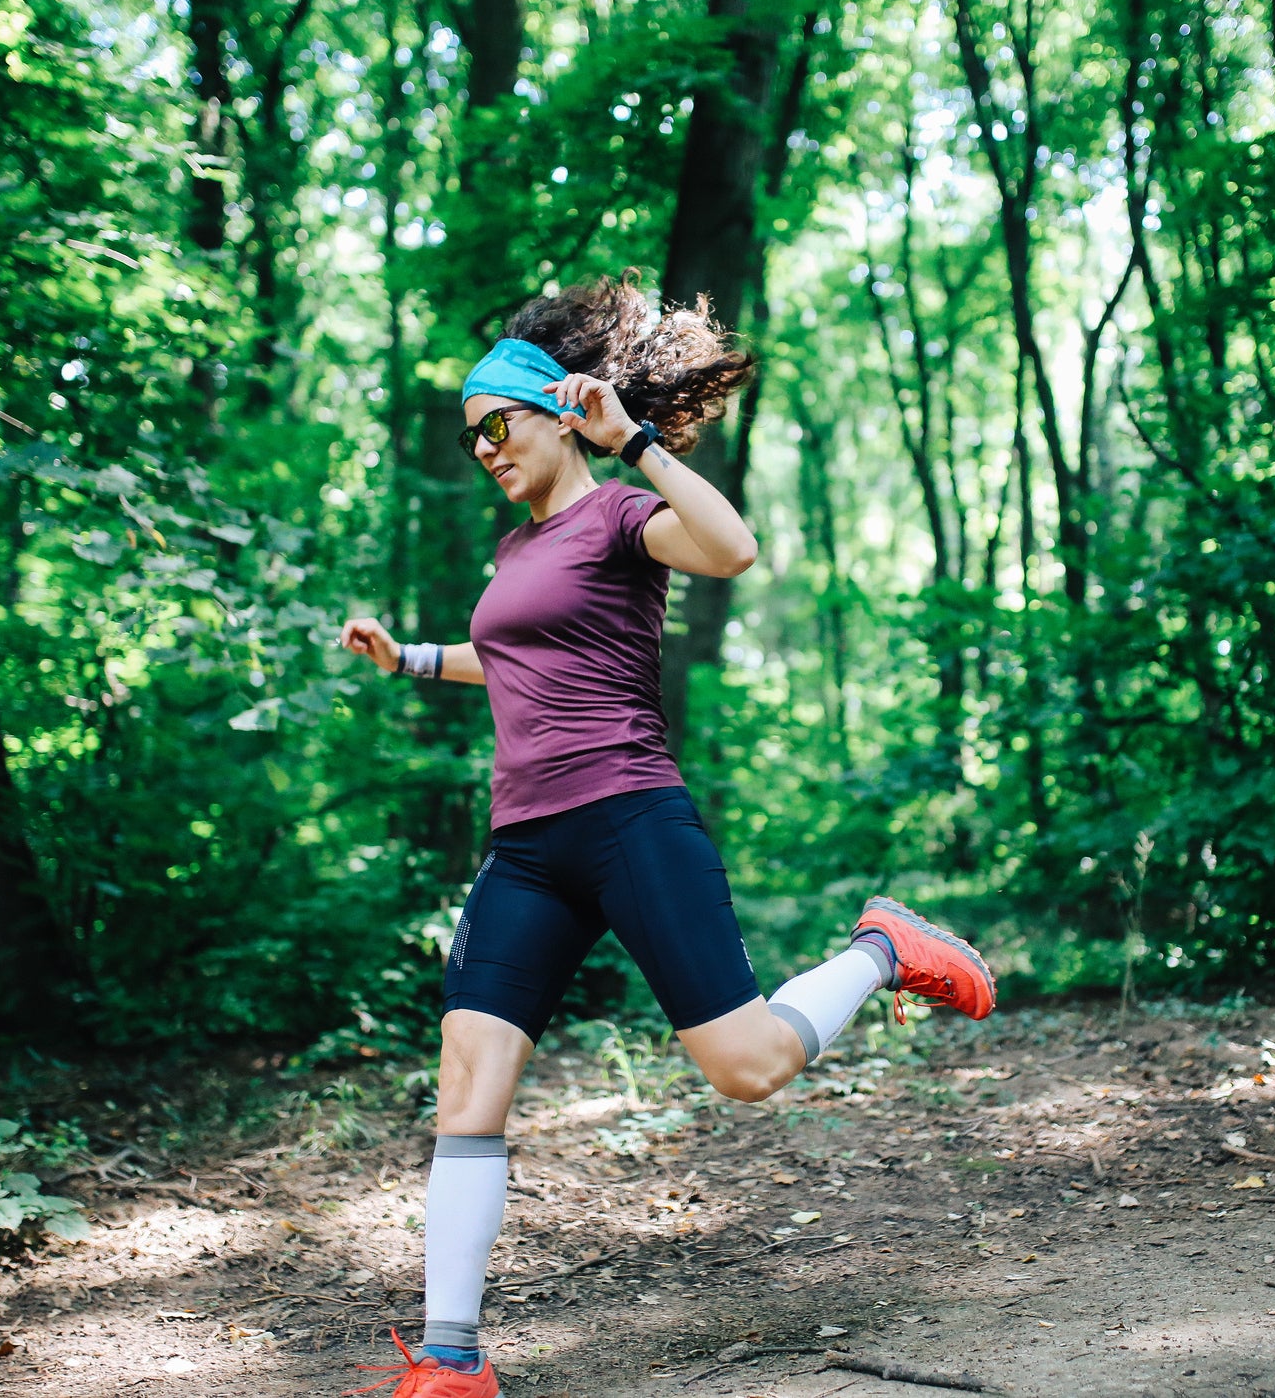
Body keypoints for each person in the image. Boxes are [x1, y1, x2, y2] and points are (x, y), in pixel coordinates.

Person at [336, 275, 998, 1396]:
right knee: (469, 1078)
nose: (486, 447)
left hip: (629, 817)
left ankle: (883, 947)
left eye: (499, 422)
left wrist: (635, 440)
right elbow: (510, 659)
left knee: (746, 1068)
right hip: (529, 848)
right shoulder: (512, 553)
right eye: (470, 438)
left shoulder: (622, 513)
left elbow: (732, 548)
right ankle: (450, 1358)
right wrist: (405, 658)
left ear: (557, 410)